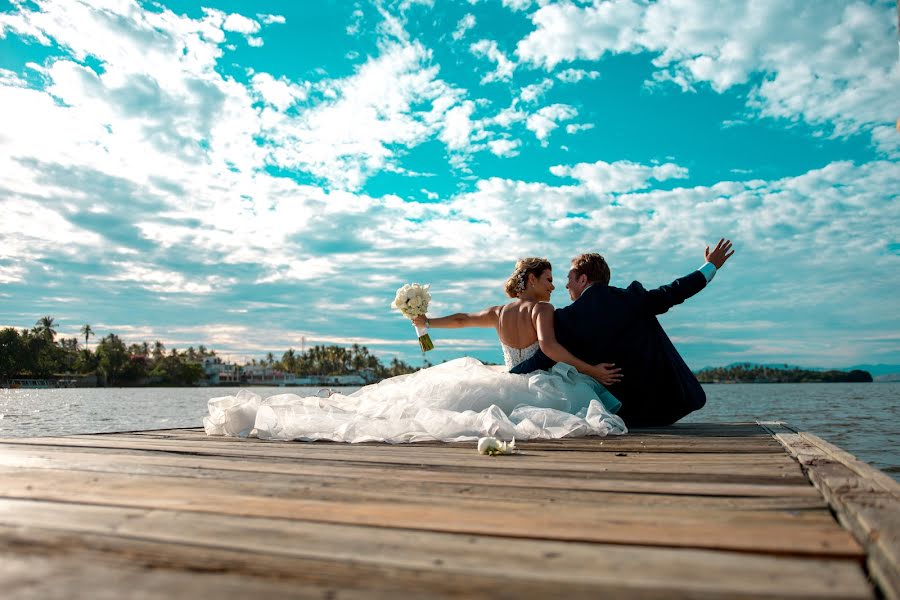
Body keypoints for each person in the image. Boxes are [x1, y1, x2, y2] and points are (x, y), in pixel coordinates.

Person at [204, 258, 627, 443]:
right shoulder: (542, 308)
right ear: (530, 279)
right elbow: (550, 347)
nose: (553, 284)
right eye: (548, 276)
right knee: (581, 403)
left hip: (506, 374)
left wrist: (426, 323)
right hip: (536, 382)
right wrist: (593, 369)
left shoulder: (499, 310)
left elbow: (461, 319)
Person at [510, 239, 735, 427]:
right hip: (664, 410)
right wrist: (709, 266)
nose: (566, 286)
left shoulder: (567, 318)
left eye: (570, 280)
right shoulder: (632, 299)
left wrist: (507, 380)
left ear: (583, 279)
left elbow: (544, 357)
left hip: (618, 416)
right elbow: (675, 291)